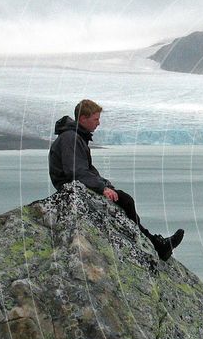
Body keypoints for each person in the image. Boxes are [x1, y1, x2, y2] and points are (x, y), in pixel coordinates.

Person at [49, 99, 184, 261]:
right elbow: (76, 171)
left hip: (73, 184)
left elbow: (83, 170)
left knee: (124, 200)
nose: (98, 123)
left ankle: (155, 243)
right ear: (83, 119)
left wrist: (105, 184)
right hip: (70, 186)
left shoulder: (75, 136)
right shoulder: (71, 138)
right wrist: (102, 188)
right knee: (125, 200)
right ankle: (156, 244)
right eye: (95, 119)